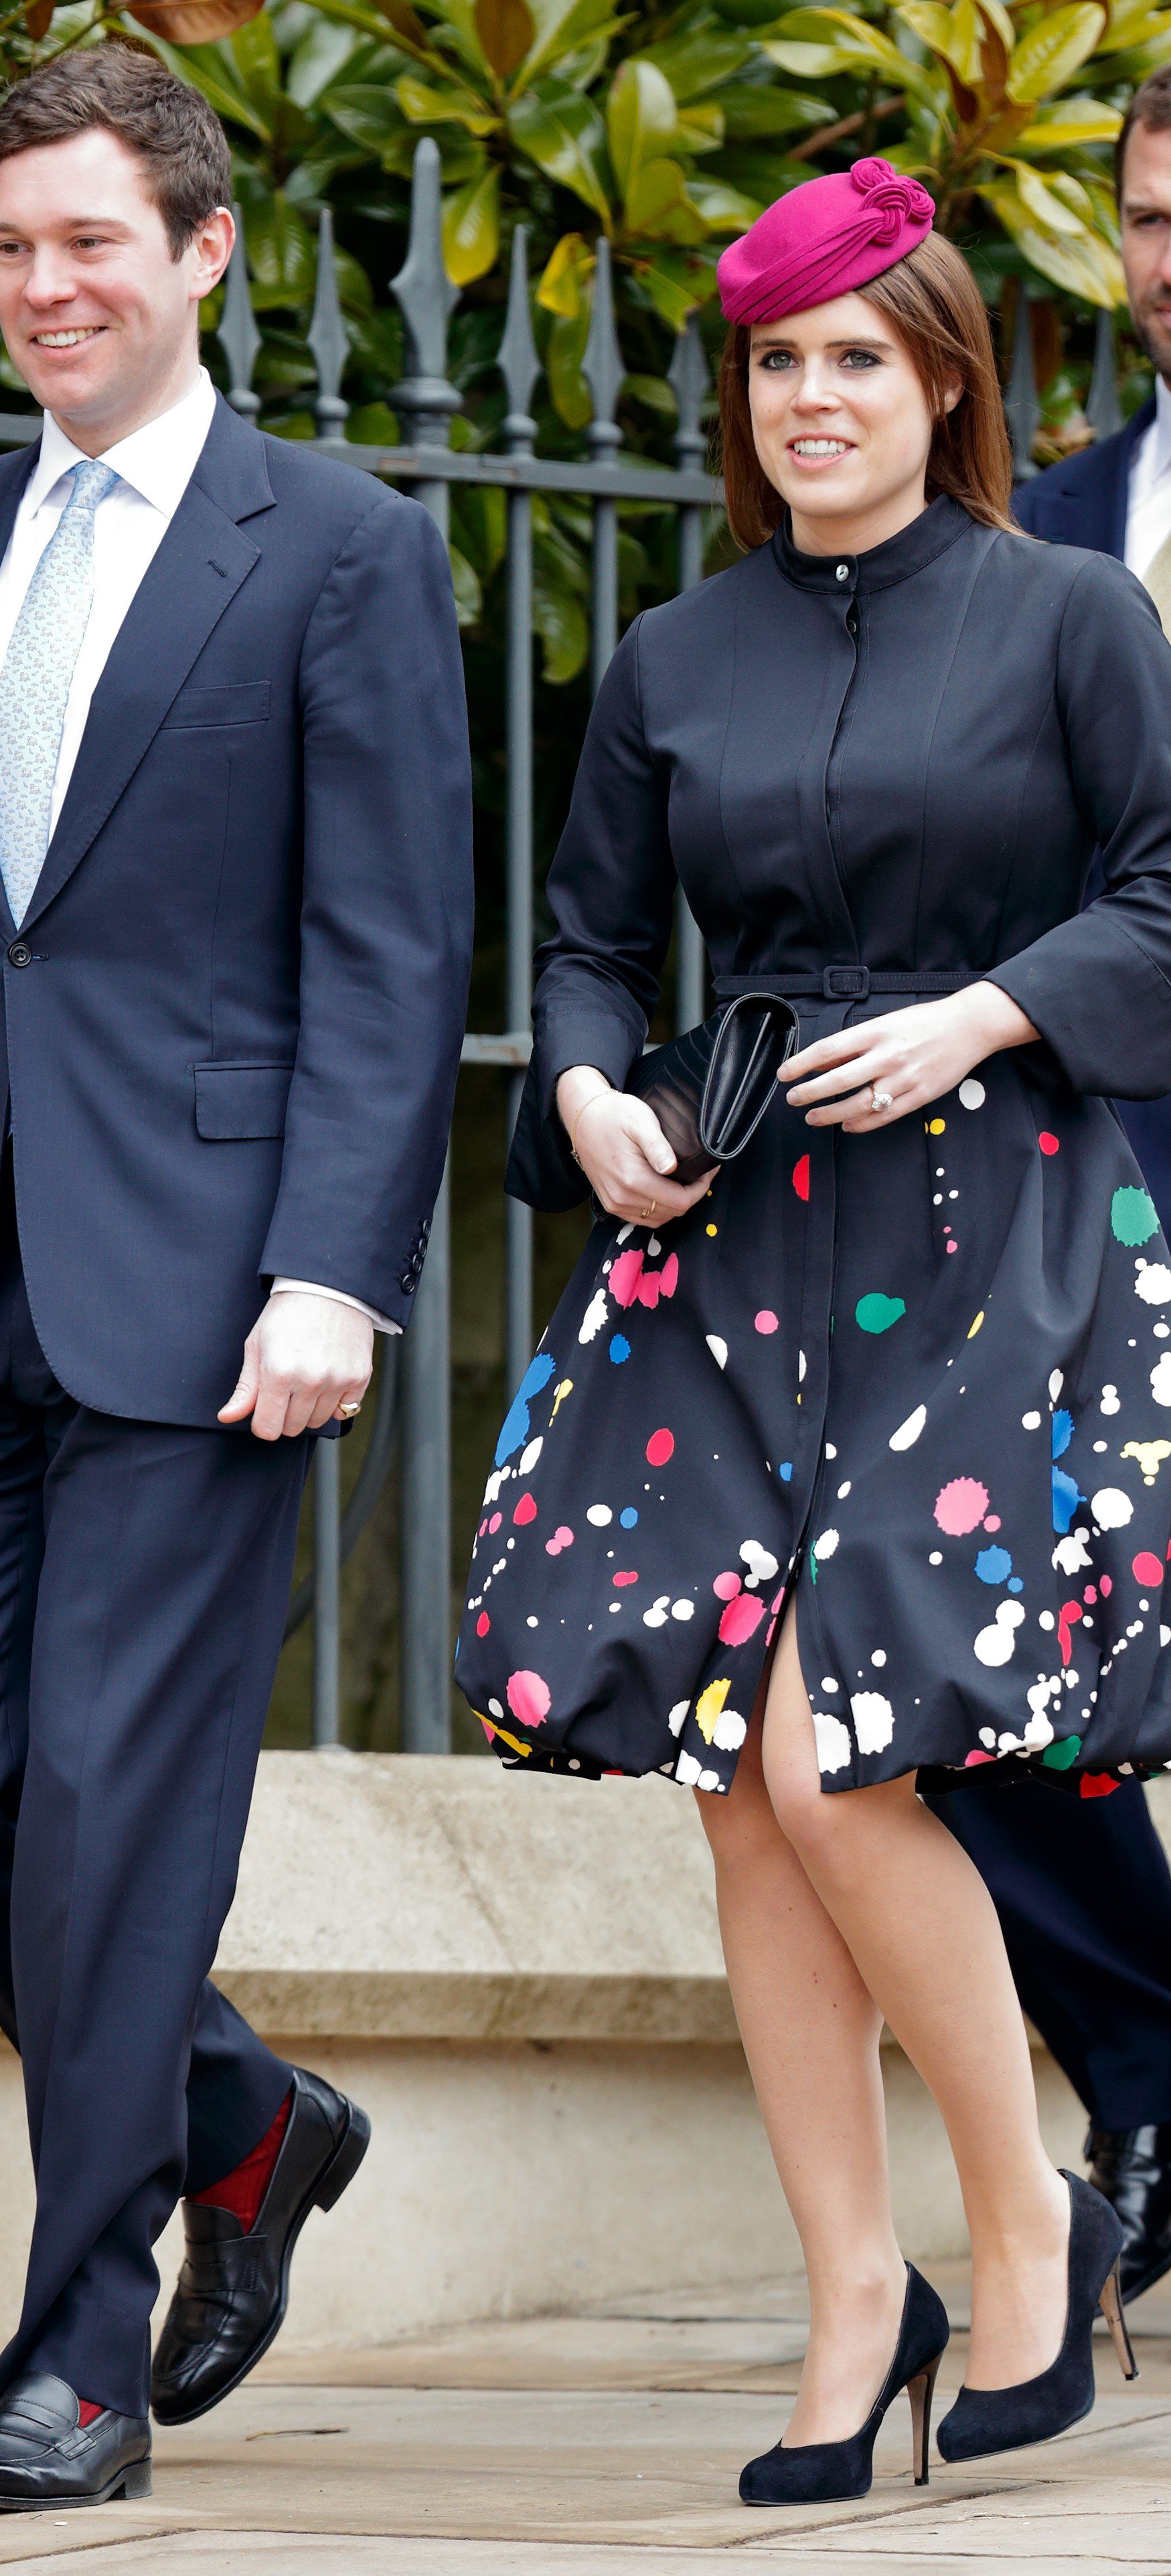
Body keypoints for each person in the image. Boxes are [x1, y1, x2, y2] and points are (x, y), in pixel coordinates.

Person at [0, 48, 472, 2514]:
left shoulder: (336, 544)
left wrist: (335, 1271)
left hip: (209, 1295)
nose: (45, 288)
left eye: (89, 245)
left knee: (114, 1823)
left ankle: (79, 2358)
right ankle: (240, 2117)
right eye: (14, 247)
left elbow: (386, 951)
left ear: (200, 251)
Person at [457, 159, 1171, 2504]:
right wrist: (584, 1083)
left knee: (833, 1759)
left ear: (942, 375)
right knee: (739, 1806)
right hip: (734, 1238)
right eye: (775, 364)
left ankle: (1024, 2214)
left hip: (995, 1231)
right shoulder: (673, 658)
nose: (809, 401)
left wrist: (984, 1012)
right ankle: (855, 2296)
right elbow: (577, 943)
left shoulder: (1071, 615)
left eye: (855, 356)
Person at [927, 64, 1171, 2311]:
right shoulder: (1043, 529)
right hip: (1066, 1178)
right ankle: (1151, 2055)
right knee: (962, 1649)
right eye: (1156, 214)